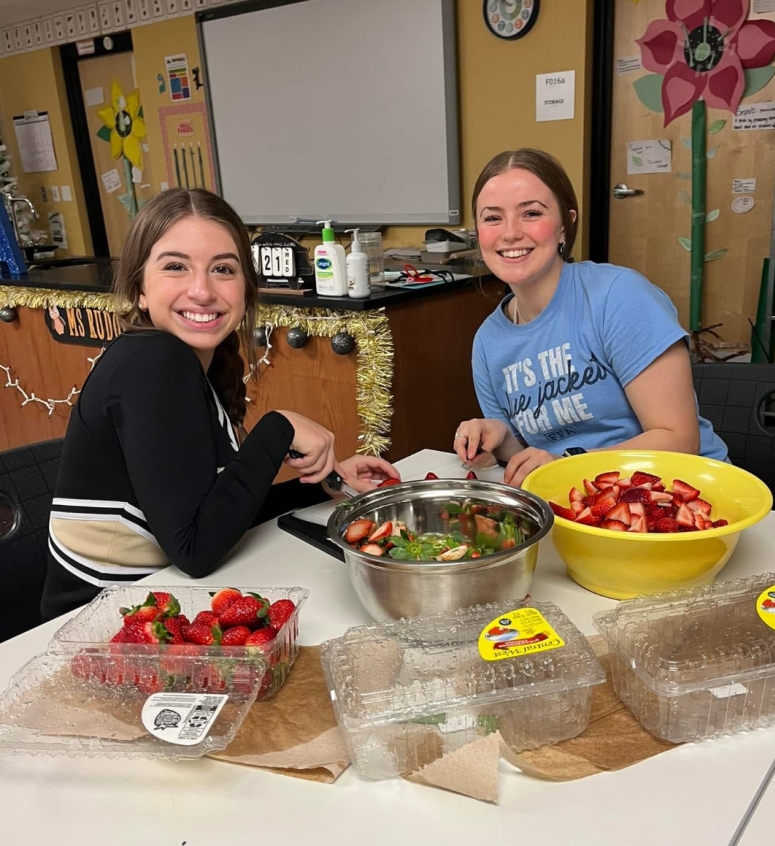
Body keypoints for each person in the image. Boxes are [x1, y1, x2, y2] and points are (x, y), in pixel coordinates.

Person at [42, 189, 397, 619]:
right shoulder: (153, 362)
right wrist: (279, 427)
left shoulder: (186, 363)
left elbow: (215, 514)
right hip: (99, 630)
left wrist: (319, 487)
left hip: (155, 609)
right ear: (138, 289)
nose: (202, 290)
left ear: (245, 290)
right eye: (176, 266)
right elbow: (195, 550)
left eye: (223, 269)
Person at [454, 148, 727, 487]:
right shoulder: (487, 342)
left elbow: (679, 440)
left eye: (531, 213)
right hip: (579, 501)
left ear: (565, 226)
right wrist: (498, 442)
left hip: (679, 493)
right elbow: (534, 454)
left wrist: (564, 466)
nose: (510, 233)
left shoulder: (618, 296)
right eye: (492, 218)